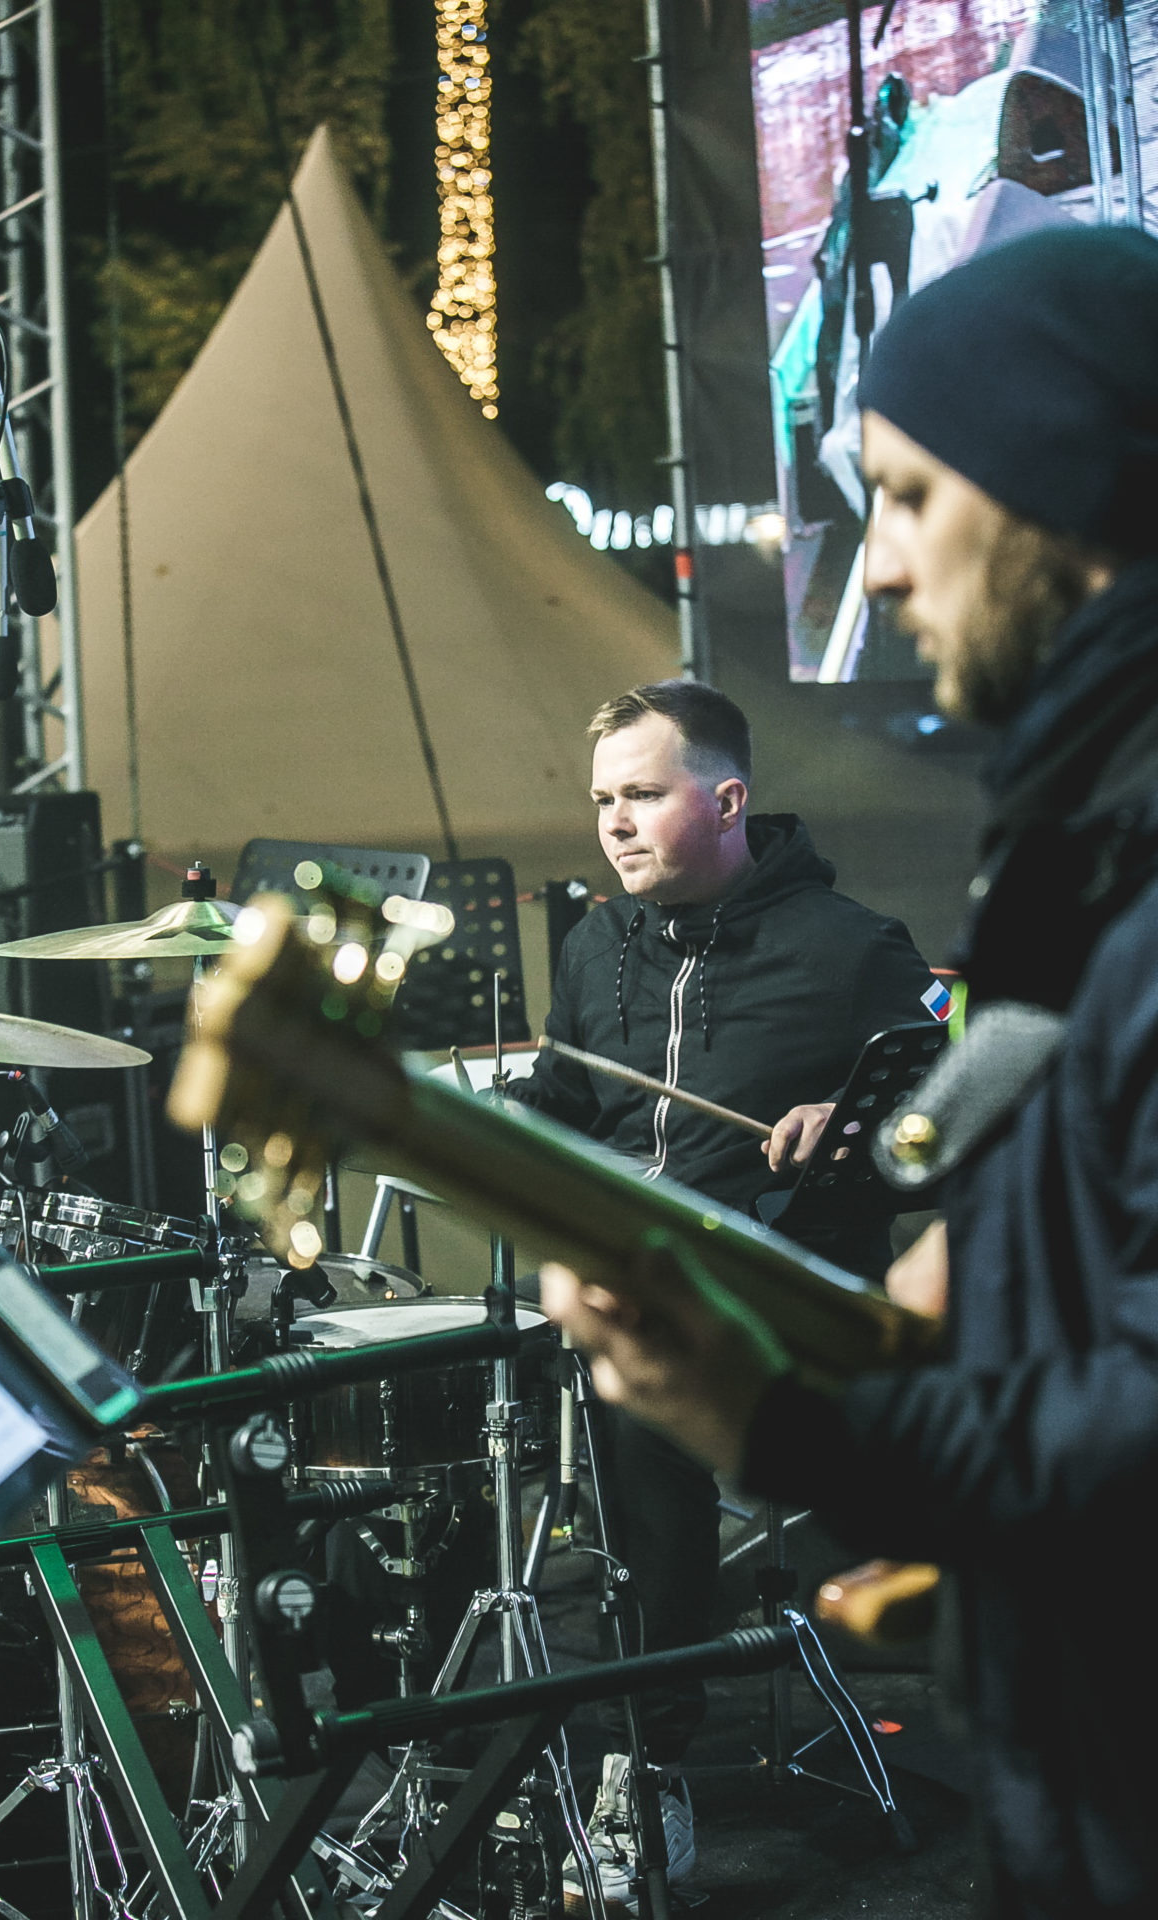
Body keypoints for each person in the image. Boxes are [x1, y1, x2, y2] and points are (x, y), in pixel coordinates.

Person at [542, 222, 1158, 1920]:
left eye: (905, 495)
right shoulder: (1075, 837)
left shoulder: (1080, 862)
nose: (874, 570)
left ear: (1058, 490)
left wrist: (787, 1421)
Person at [509, 678, 939, 1905]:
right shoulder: (596, 946)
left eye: (642, 795)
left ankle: (648, 1762)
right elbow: (564, 1103)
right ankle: (426, 1736)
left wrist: (847, 1120)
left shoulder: (849, 948)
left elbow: (945, 1116)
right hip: (622, 1278)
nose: (614, 823)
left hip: (780, 1295)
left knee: (636, 1401)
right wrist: (470, 1116)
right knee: (433, 1365)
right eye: (602, 799)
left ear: (728, 800)